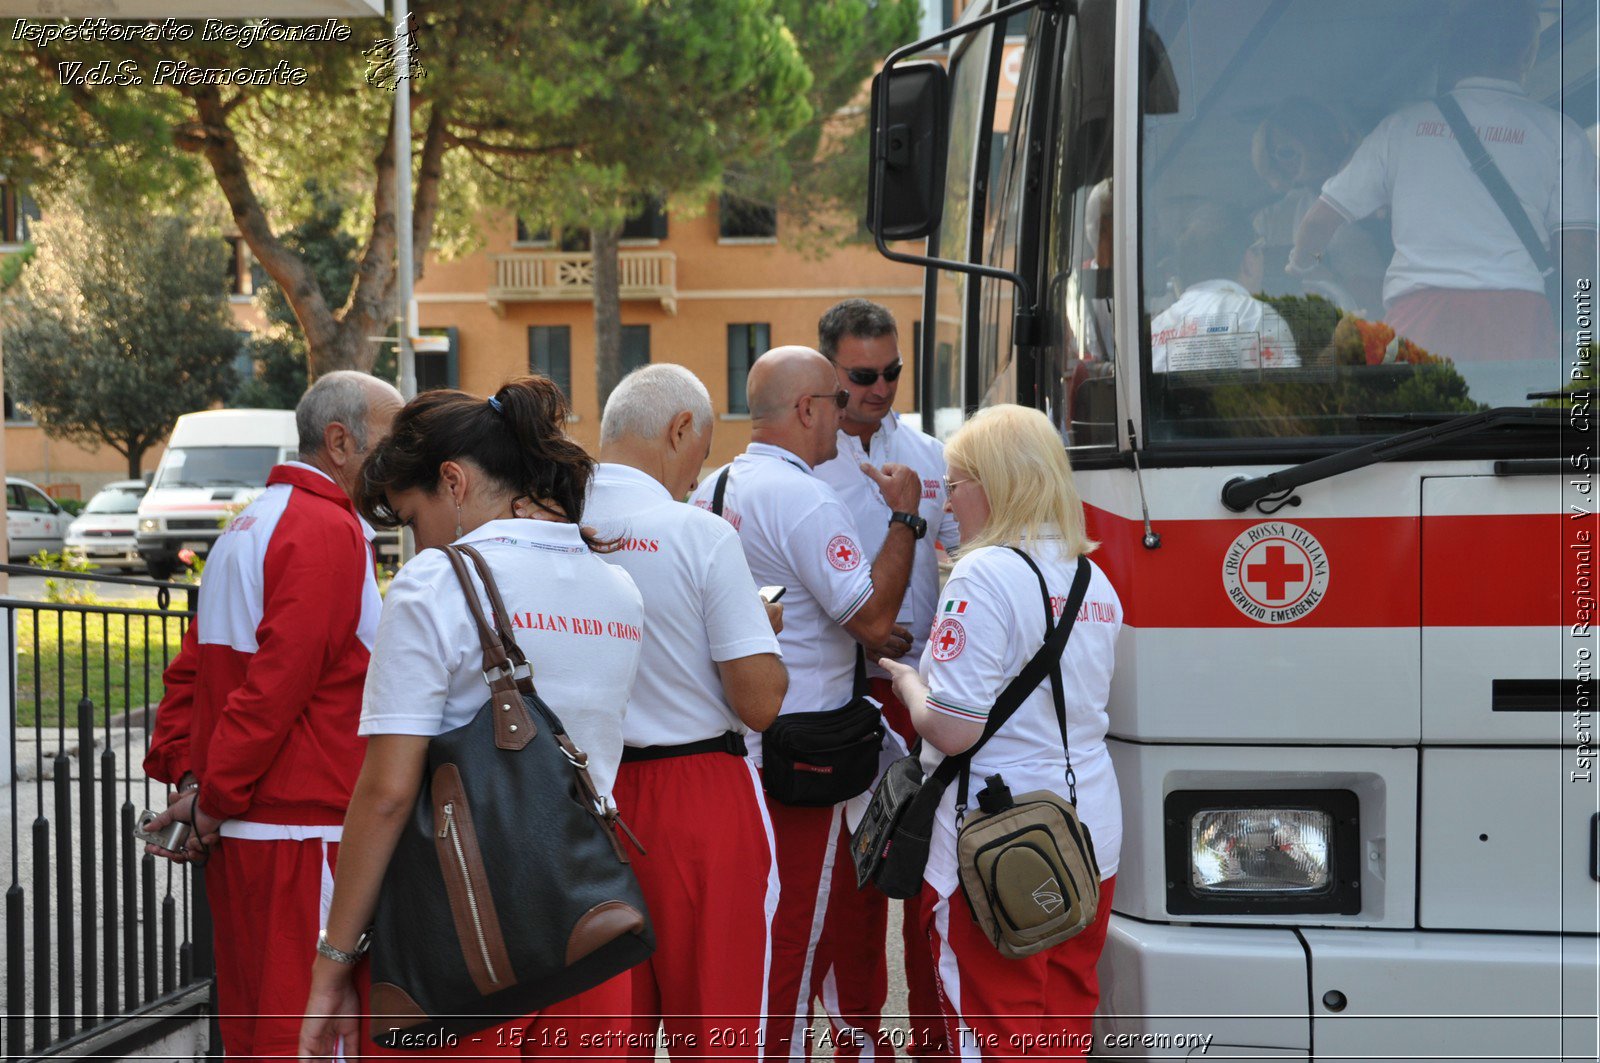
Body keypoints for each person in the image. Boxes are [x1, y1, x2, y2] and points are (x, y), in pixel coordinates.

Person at [298, 377, 645, 1062]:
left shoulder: (435, 583)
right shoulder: (616, 583)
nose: (413, 540)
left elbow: (389, 791)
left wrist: (334, 959)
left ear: (452, 481)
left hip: (462, 937)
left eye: (409, 515)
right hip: (586, 926)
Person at [140, 370, 402, 1063]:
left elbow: (192, 674)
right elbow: (276, 688)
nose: (403, 458)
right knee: (307, 1040)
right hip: (302, 831)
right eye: (393, 439)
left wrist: (196, 784)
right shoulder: (327, 529)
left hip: (250, 834)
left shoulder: (248, 522)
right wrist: (210, 801)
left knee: (257, 1035)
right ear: (341, 442)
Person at [688, 346, 921, 1063]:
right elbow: (875, 621)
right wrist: (905, 519)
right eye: (838, 399)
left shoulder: (712, 488)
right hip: (804, 753)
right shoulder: (803, 496)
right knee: (796, 929)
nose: (849, 414)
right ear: (807, 409)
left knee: (756, 927)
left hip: (735, 746)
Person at [878, 404, 1123, 1062]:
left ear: (995, 482)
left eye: (955, 484)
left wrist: (907, 685)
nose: (949, 504)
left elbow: (953, 729)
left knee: (990, 1033)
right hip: (1088, 831)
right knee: (1062, 1023)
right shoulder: (1092, 578)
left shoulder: (983, 575)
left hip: (996, 838)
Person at [578, 363, 788, 1057]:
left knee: (608, 1030)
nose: (697, 475)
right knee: (720, 1023)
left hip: (582, 799)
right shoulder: (697, 532)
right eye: (699, 455)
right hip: (699, 796)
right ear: (678, 430)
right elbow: (759, 702)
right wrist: (760, 630)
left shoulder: (551, 524)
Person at [810, 300, 959, 1062]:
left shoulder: (933, 455)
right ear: (829, 371)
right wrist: (863, 625)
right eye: (863, 374)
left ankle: (936, 1041)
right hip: (845, 696)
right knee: (853, 886)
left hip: (932, 695)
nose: (880, 387)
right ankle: (858, 1039)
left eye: (893, 371)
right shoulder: (804, 464)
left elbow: (966, 551)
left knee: (934, 884)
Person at [1288, 0, 1597, 364]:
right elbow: (1576, 252)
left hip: (1419, 320)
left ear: (1454, 49)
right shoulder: (1562, 135)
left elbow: (1319, 222)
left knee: (1421, 417)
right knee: (1521, 419)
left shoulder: (1400, 129)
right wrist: (1585, 331)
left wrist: (1301, 266)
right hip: (1517, 320)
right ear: (1529, 52)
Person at [1150, 204, 1300, 373]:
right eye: (1260, 250)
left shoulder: (1156, 328)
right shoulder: (1255, 317)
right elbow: (1283, 394)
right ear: (1249, 261)